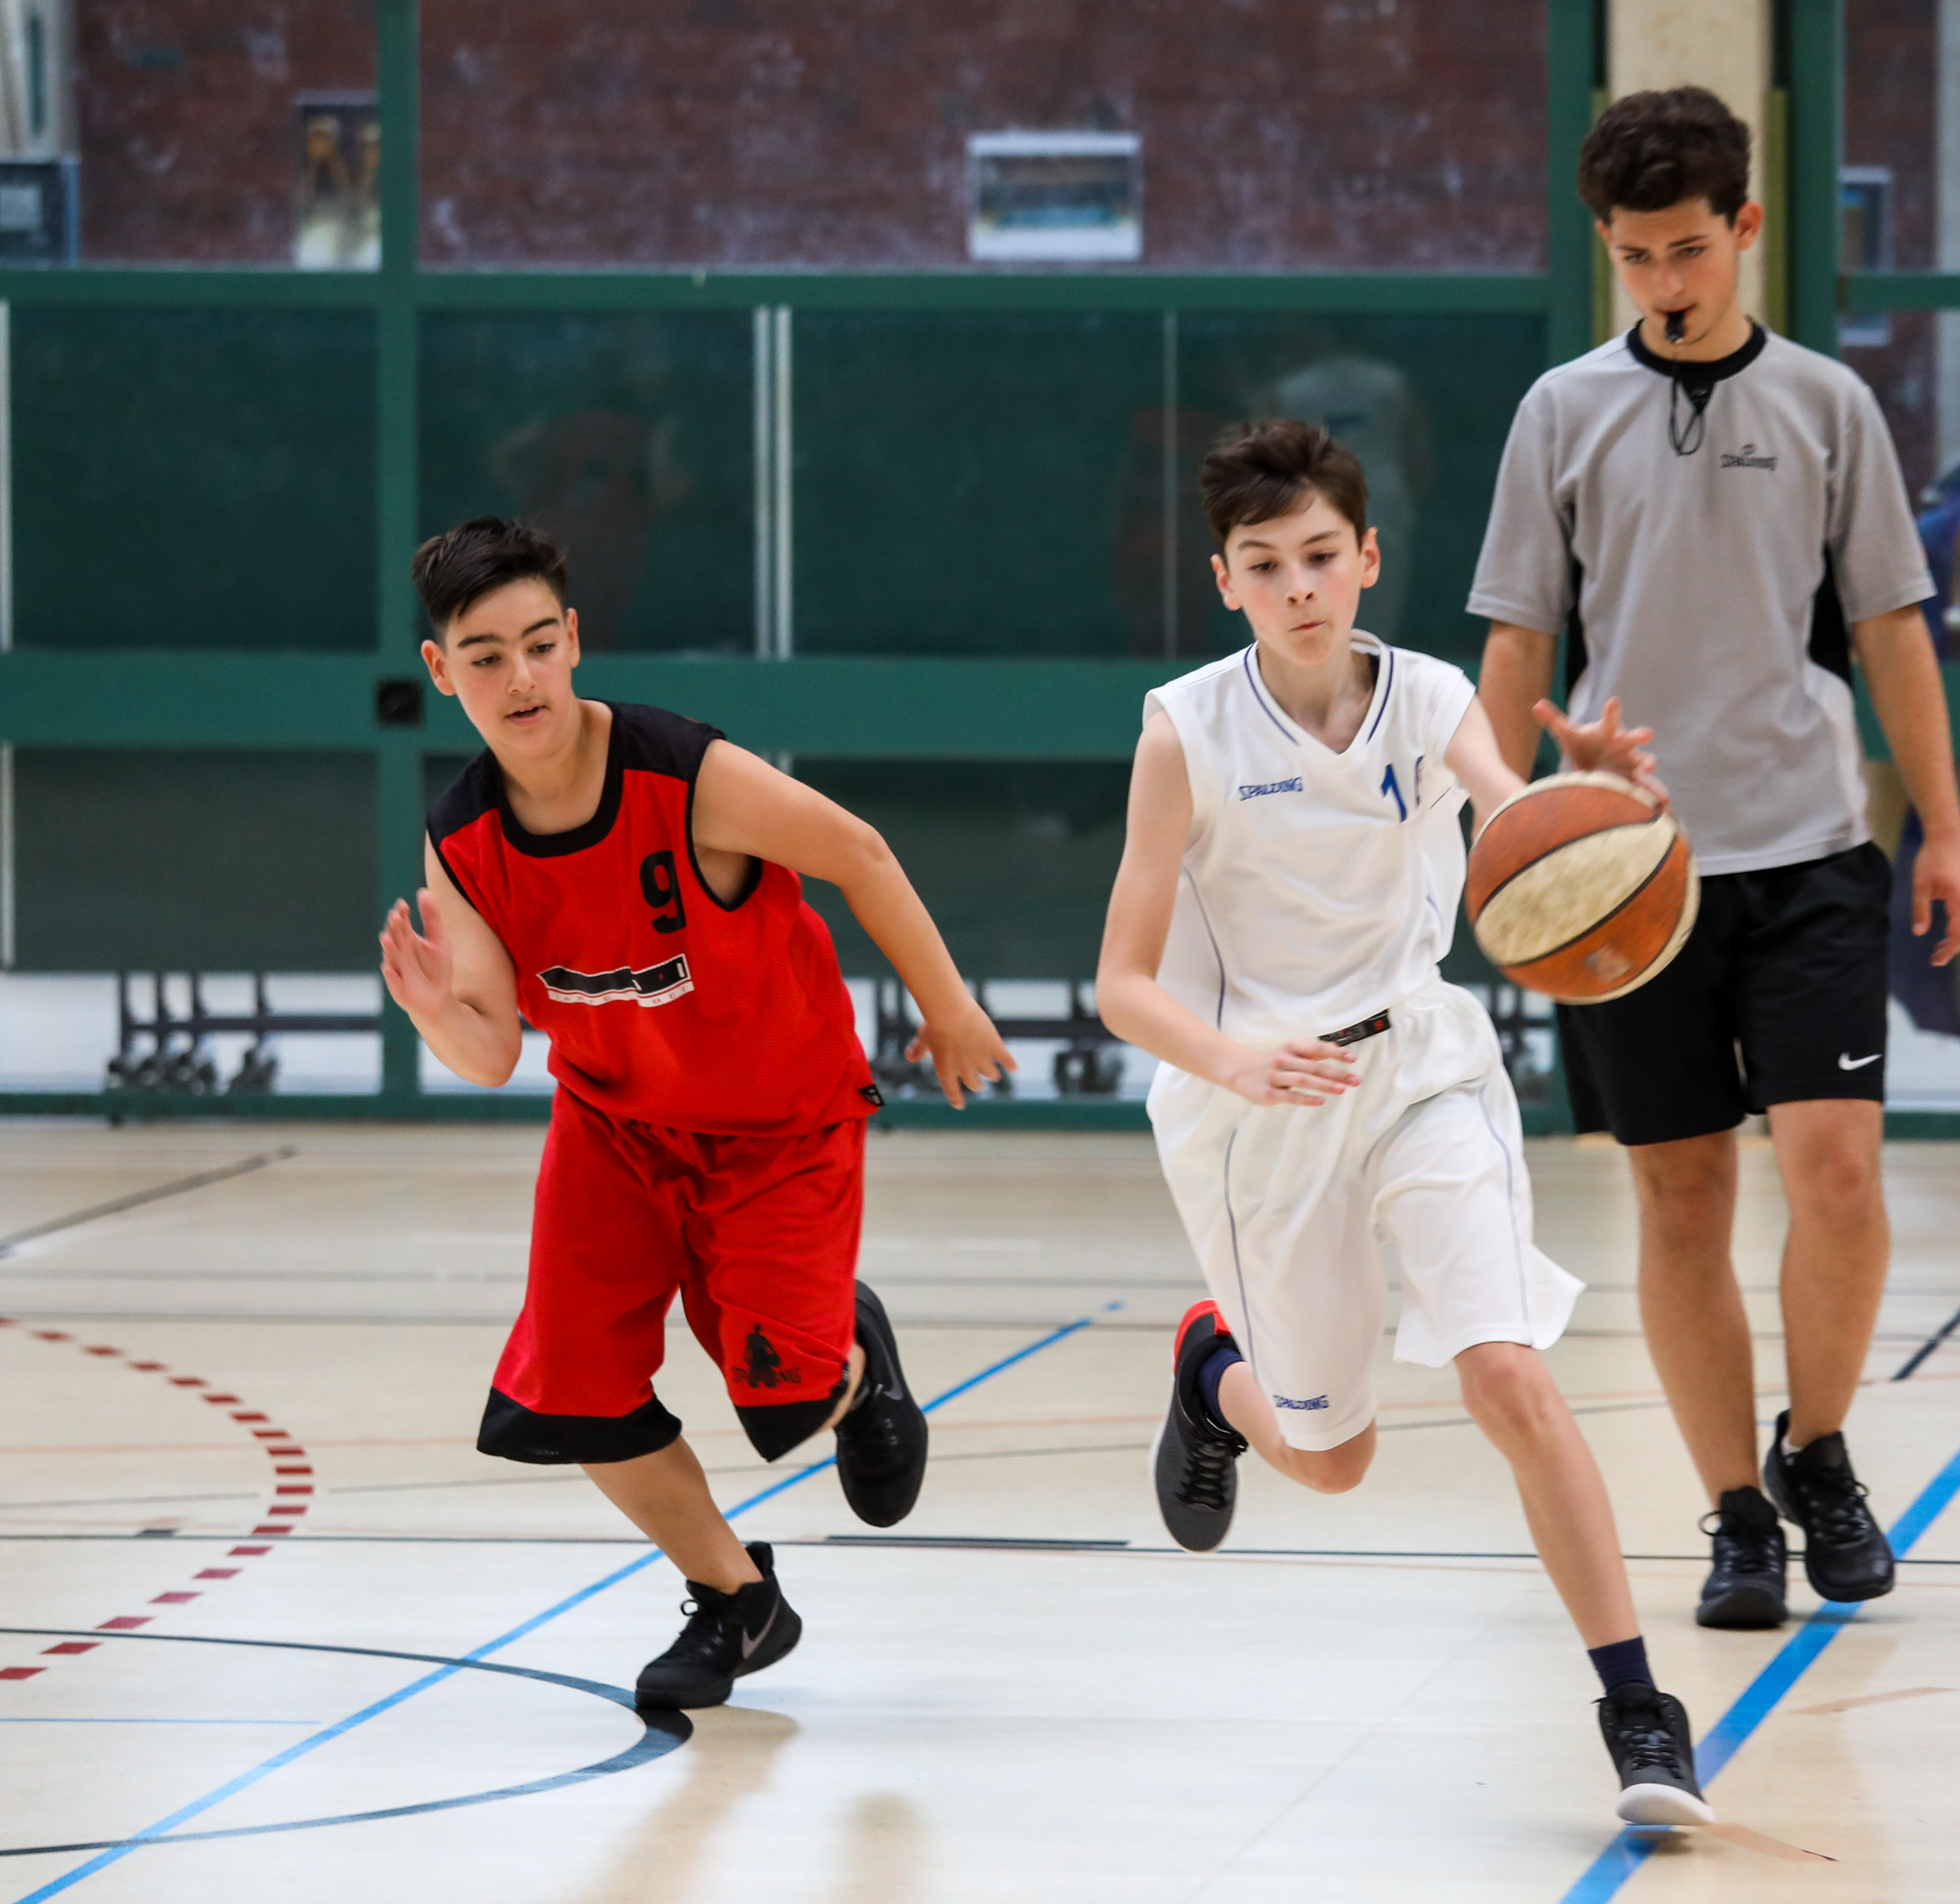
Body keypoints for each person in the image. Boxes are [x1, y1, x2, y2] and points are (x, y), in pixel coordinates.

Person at [1098, 420, 1712, 1826]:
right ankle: (1212, 1371)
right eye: (1266, 565)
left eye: (1321, 555)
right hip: (1257, 1105)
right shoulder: (1183, 732)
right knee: (1333, 1461)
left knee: (1507, 1374)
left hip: (1424, 1069)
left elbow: (1518, 823)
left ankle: (1638, 1711)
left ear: (1367, 558)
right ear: (1225, 582)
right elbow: (1123, 984)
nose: (1299, 586)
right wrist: (1238, 1059)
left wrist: (1599, 806)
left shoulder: (1431, 697)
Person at [1467, 88, 1960, 1630]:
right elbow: (1515, 641)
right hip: (1626, 872)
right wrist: (1494, 828)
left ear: (1744, 228)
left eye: (1687, 250)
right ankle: (1737, 1515)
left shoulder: (1827, 405)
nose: (1664, 281)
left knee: (1836, 1172)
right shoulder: (1560, 411)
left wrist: (1943, 826)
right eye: (1634, 257)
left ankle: (1816, 1451)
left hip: (1809, 847)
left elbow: (1890, 628)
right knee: (1681, 1198)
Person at [380, 516, 1016, 1707]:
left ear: (574, 641)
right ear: (441, 670)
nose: (519, 679)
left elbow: (859, 852)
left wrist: (949, 1007)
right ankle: (737, 1599)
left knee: (783, 1396)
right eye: (484, 656)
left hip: (777, 1123)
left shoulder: (682, 775)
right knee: (572, 1396)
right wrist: (430, 1014)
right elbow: (492, 1049)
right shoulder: (461, 840)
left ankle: (854, 1363)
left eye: (537, 645)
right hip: (614, 1132)